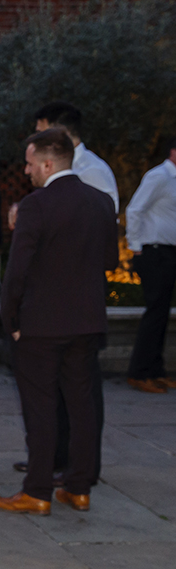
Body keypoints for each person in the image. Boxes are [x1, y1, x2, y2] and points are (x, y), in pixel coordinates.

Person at [0, 129, 118, 515]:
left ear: (48, 163)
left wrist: (10, 316)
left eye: (29, 163)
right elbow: (109, 261)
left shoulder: (36, 205)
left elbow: (18, 270)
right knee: (82, 406)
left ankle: (38, 491)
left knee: (41, 407)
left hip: (41, 326)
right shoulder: (101, 201)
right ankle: (79, 488)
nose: (26, 170)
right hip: (88, 321)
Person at [125, 138, 176, 393]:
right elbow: (135, 210)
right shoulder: (159, 177)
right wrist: (135, 246)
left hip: (168, 252)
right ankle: (139, 372)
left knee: (162, 312)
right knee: (155, 312)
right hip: (154, 253)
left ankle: (156, 370)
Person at [34, 102, 119, 213]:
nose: (38, 140)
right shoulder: (55, 167)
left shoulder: (91, 170)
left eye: (42, 134)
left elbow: (106, 216)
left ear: (62, 134)